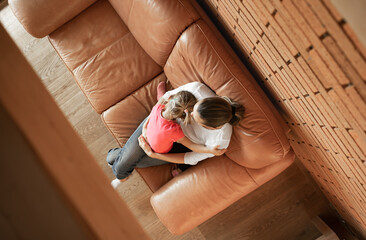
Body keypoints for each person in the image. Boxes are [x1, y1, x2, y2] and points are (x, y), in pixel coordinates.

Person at [107, 81, 244, 188]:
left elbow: (190, 156)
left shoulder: (219, 142)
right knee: (120, 162)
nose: (189, 115)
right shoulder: (196, 89)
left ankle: (118, 160)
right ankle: (118, 161)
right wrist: (146, 127)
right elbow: (165, 101)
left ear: (211, 128)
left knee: (119, 164)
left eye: (194, 117)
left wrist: (153, 155)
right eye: (193, 110)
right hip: (165, 118)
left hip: (180, 143)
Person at [143, 90, 226, 156]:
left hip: (148, 137)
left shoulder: (158, 107)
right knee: (186, 150)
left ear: (170, 99)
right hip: (161, 151)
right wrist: (210, 150)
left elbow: (152, 117)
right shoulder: (174, 130)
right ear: (183, 116)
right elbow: (191, 146)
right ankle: (180, 168)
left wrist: (144, 128)